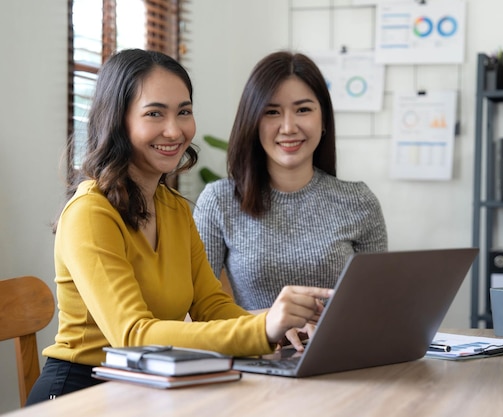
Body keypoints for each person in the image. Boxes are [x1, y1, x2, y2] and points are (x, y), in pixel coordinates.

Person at [26, 49, 332, 406]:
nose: (175, 130)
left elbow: (211, 305)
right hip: (80, 391)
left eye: (184, 112)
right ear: (118, 120)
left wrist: (282, 326)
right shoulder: (90, 212)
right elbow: (132, 335)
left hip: (147, 386)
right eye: (155, 113)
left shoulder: (173, 207)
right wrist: (261, 328)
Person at [193, 51, 387, 312]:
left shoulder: (359, 202)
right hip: (254, 350)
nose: (288, 127)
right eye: (272, 112)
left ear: (324, 120)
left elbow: (377, 304)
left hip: (341, 351)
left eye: (303, 110)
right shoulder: (219, 201)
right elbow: (194, 309)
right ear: (253, 122)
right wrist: (268, 323)